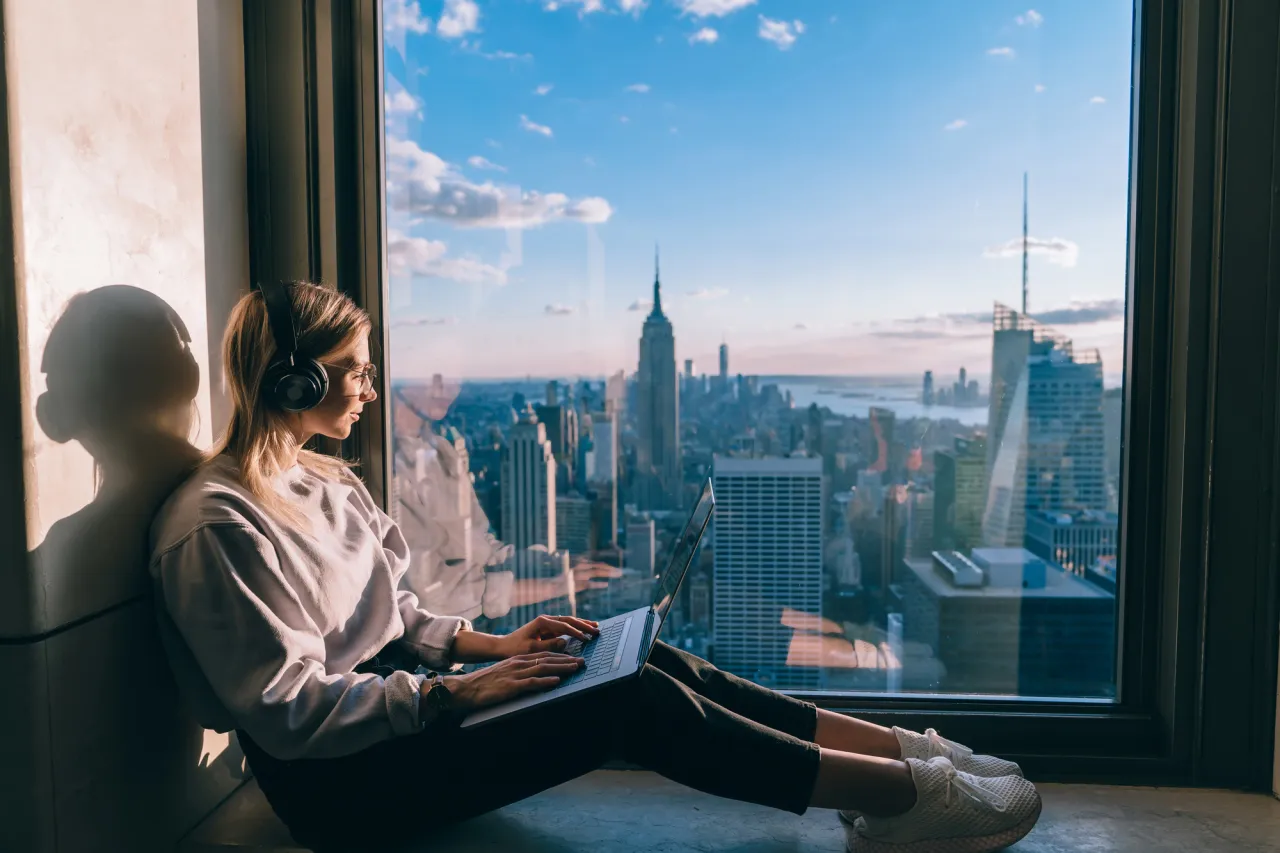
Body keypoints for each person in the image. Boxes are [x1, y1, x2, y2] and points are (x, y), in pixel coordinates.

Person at [149, 282, 1042, 853]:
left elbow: (403, 621)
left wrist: (496, 645)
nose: (372, 389)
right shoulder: (214, 526)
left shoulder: (327, 481)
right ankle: (899, 803)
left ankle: (908, 752)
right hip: (344, 786)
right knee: (630, 701)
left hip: (409, 719)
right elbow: (292, 711)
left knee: (635, 654)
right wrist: (453, 694)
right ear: (295, 382)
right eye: (355, 371)